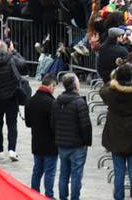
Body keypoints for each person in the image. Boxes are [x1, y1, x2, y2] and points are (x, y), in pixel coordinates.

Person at [100, 63, 132, 200]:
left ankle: (119, 197)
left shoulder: (111, 93)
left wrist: (113, 78)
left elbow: (103, 90)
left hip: (116, 136)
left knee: (119, 171)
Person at [52, 72, 91, 200]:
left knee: (64, 174)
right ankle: (75, 198)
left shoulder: (57, 102)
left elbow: (53, 122)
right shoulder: (79, 102)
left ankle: (63, 197)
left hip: (62, 144)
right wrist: (86, 141)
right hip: (77, 145)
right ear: (75, 85)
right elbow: (85, 125)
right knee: (76, 175)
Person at [25, 73, 58, 198]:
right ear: (51, 85)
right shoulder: (52, 103)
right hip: (50, 143)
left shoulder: (30, 101)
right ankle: (48, 195)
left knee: (37, 170)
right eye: (54, 87)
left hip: (37, 141)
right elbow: (54, 125)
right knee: (50, 171)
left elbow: (28, 123)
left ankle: (33, 193)